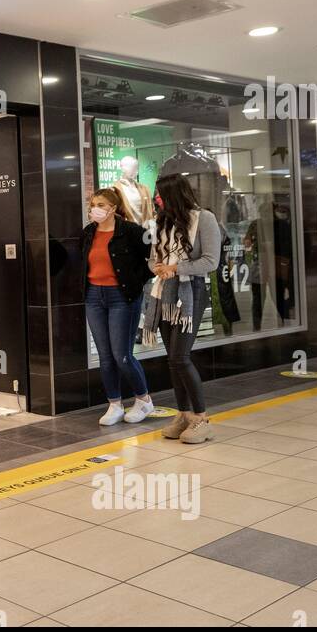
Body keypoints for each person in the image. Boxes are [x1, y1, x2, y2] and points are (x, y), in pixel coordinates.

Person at [144, 174, 221, 445]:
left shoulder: (204, 219)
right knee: (172, 358)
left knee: (180, 357)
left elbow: (210, 261)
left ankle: (201, 418)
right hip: (164, 292)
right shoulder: (160, 222)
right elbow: (154, 259)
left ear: (173, 193)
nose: (156, 198)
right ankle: (184, 415)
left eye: (160, 193)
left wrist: (177, 268)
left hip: (191, 291)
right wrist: (159, 268)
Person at [81, 188, 155, 425]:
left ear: (112, 208)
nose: (95, 209)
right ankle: (114, 404)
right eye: (93, 204)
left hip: (122, 297)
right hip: (94, 296)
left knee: (121, 355)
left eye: (100, 204)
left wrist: (136, 281)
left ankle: (143, 400)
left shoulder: (131, 231)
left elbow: (153, 258)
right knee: (105, 356)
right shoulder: (88, 233)